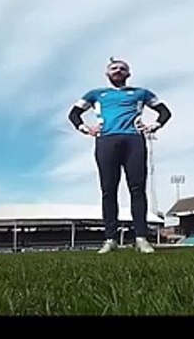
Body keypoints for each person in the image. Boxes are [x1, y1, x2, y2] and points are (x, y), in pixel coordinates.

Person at [68, 58, 172, 255]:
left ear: (128, 74)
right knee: (108, 190)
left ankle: (141, 238)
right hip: (106, 141)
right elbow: (74, 114)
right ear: (107, 74)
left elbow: (165, 112)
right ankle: (110, 239)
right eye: (114, 68)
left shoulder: (141, 93)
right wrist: (85, 128)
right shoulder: (95, 94)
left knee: (137, 189)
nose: (118, 70)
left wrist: (154, 125)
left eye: (122, 68)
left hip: (134, 141)